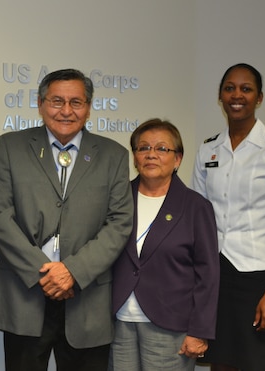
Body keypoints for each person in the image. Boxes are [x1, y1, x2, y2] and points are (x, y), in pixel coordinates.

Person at [0, 68, 134, 371]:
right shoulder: (10, 147)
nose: (66, 111)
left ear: (89, 108)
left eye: (76, 102)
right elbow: (0, 217)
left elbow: (119, 223)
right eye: (57, 101)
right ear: (41, 104)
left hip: (86, 298)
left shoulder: (113, 155)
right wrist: (45, 273)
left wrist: (72, 271)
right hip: (24, 294)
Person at [191, 63, 265, 371]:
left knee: (261, 364)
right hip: (218, 275)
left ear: (259, 98)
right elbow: (199, 222)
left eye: (246, 89)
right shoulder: (207, 150)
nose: (237, 95)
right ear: (220, 97)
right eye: (229, 88)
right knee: (222, 363)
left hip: (262, 278)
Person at [109, 119, 219, 371]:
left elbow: (208, 274)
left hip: (171, 325)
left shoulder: (195, 207)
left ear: (177, 159)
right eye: (143, 148)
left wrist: (199, 331)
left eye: (161, 149)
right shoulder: (117, 199)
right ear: (135, 157)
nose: (151, 154)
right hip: (119, 322)